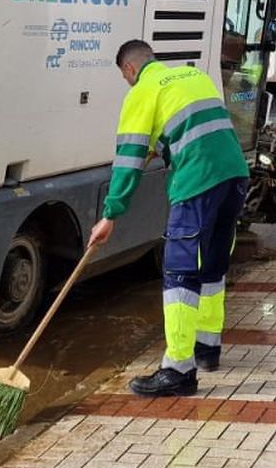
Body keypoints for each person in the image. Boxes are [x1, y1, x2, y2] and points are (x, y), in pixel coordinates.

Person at [89, 40, 250, 398]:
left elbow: (128, 160)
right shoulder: (194, 76)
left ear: (129, 69)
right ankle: (207, 349)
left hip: (197, 183)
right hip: (235, 176)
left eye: (125, 77)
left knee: (179, 272)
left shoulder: (142, 92)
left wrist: (110, 214)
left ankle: (178, 370)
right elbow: (192, 129)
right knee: (212, 266)